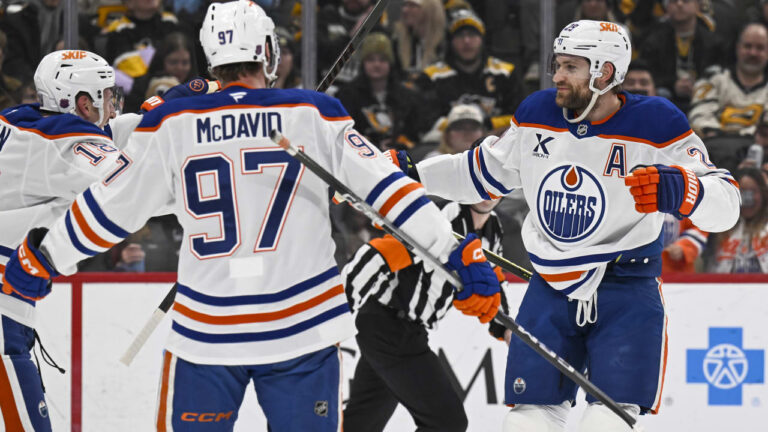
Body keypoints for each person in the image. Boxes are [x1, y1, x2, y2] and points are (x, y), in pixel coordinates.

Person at [0, 2, 501, 431]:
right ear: (267, 51)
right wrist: (455, 253)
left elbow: (108, 208)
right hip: (303, 329)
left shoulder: (173, 123)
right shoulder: (313, 113)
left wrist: (43, 257)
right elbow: (393, 193)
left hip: (206, 332)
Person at [397, 20, 740, 430]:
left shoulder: (656, 123)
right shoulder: (537, 113)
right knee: (525, 423)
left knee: (605, 423)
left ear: (605, 72)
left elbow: (728, 204)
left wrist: (685, 191)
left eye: (571, 67)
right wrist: (406, 176)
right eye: (557, 64)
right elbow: (477, 173)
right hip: (550, 288)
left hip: (626, 290)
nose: (557, 76)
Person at [0, 49, 120, 432]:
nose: (113, 107)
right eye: (107, 96)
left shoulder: (18, 123)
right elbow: (130, 185)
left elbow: (115, 131)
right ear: (84, 103)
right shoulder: (65, 143)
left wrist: (163, 110)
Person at [342, 198, 510, 432]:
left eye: (497, 187)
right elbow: (382, 253)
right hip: (388, 324)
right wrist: (338, 310)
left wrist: (506, 328)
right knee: (447, 423)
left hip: (403, 329)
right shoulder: (441, 215)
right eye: (484, 183)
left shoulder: (493, 230)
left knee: (361, 424)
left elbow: (493, 283)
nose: (488, 195)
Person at [416, 9, 525, 134]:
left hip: (495, 140)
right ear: (451, 42)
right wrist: (464, 127)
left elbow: (522, 117)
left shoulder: (505, 73)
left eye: (472, 34)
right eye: (460, 35)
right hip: (446, 142)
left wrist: (488, 125)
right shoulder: (432, 76)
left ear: (482, 39)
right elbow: (425, 120)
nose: (466, 41)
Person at [336, 32, 428, 151]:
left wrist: (399, 144)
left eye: (383, 60)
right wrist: (375, 145)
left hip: (402, 154)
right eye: (371, 60)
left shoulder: (407, 96)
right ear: (363, 63)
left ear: (390, 63)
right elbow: (345, 133)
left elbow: (415, 132)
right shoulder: (347, 95)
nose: (377, 64)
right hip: (361, 154)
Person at [689, 23, 768, 137]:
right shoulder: (712, 79)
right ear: (737, 48)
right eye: (747, 46)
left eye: (760, 48)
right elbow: (699, 116)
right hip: (714, 143)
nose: (753, 53)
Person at [704, 168, 768, 273]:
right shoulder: (720, 230)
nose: (748, 199)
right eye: (743, 192)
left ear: (763, 194)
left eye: (752, 192)